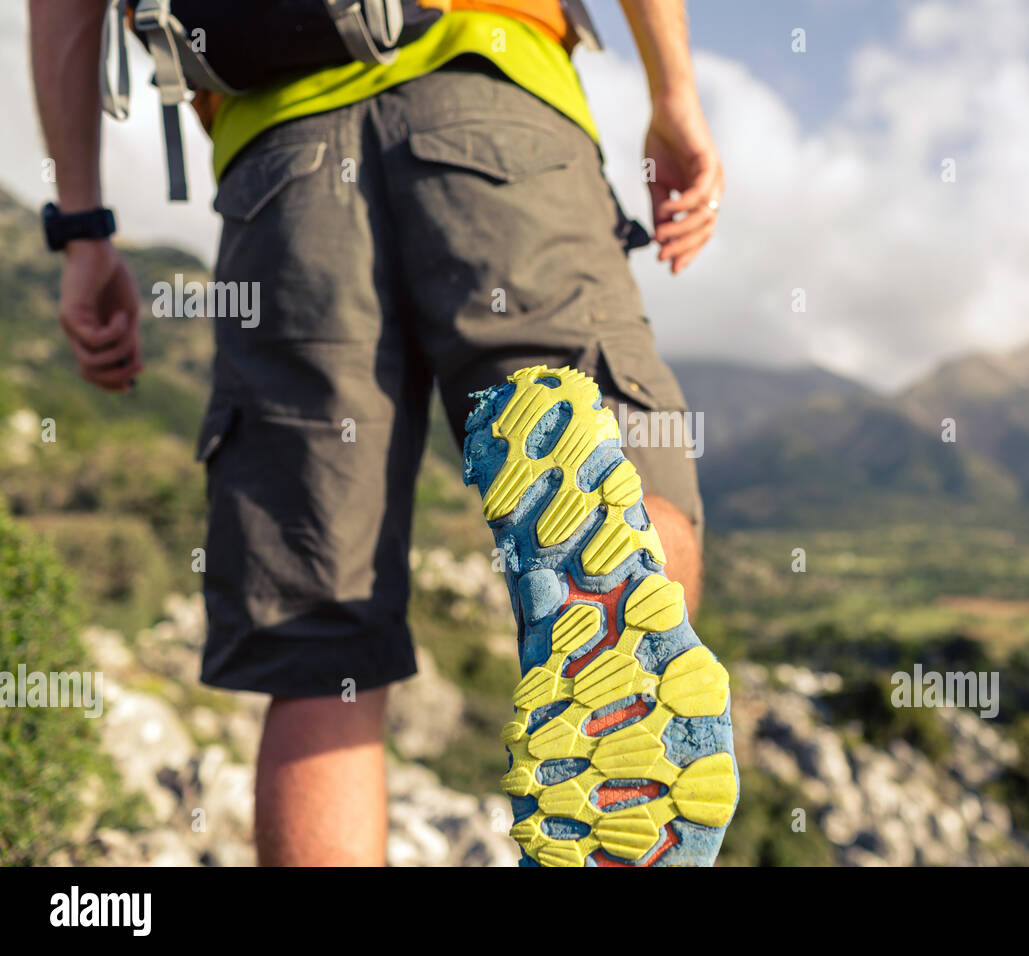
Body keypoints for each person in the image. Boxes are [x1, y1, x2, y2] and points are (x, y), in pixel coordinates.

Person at [31, 0, 734, 866]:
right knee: (616, 488)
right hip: (496, 95)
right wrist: (676, 97)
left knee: (322, 645)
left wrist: (82, 230)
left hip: (280, 164)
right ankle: (619, 650)